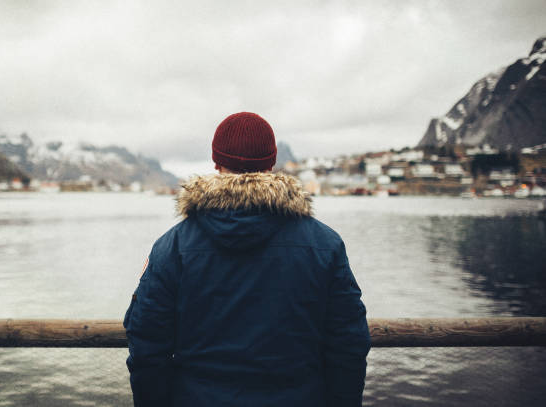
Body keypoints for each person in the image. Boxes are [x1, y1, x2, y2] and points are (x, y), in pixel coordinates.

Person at [124, 112, 371, 407]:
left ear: (216, 162)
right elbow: (348, 344)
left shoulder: (172, 247)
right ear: (271, 163)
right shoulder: (325, 245)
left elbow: (147, 344)